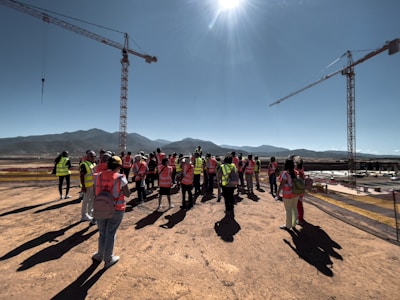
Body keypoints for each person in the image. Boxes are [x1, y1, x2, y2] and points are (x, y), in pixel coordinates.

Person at [92, 155, 130, 268]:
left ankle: (99, 255)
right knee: (111, 233)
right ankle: (108, 259)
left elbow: (95, 192)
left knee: (102, 233)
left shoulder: (97, 176)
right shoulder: (120, 177)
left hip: (100, 208)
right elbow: (127, 193)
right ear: (118, 166)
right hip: (116, 209)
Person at [276, 158, 297, 230]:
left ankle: (288, 226)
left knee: (288, 210)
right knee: (294, 209)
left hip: (287, 194)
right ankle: (294, 224)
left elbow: (282, 184)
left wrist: (278, 193)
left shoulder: (285, 174)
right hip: (295, 194)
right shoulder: (295, 172)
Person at [80, 150, 97, 223]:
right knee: (85, 200)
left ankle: (89, 213)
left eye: (94, 156)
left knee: (92, 200)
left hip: (92, 185)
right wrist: (83, 186)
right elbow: (81, 176)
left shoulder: (93, 164)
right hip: (87, 186)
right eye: (91, 156)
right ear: (87, 157)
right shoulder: (84, 164)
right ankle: (84, 215)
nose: (93, 158)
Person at [293, 156, 306, 225]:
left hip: (298, 186)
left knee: (298, 203)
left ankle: (300, 219)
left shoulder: (298, 171)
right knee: (299, 203)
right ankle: (299, 217)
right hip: (301, 186)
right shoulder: (301, 169)